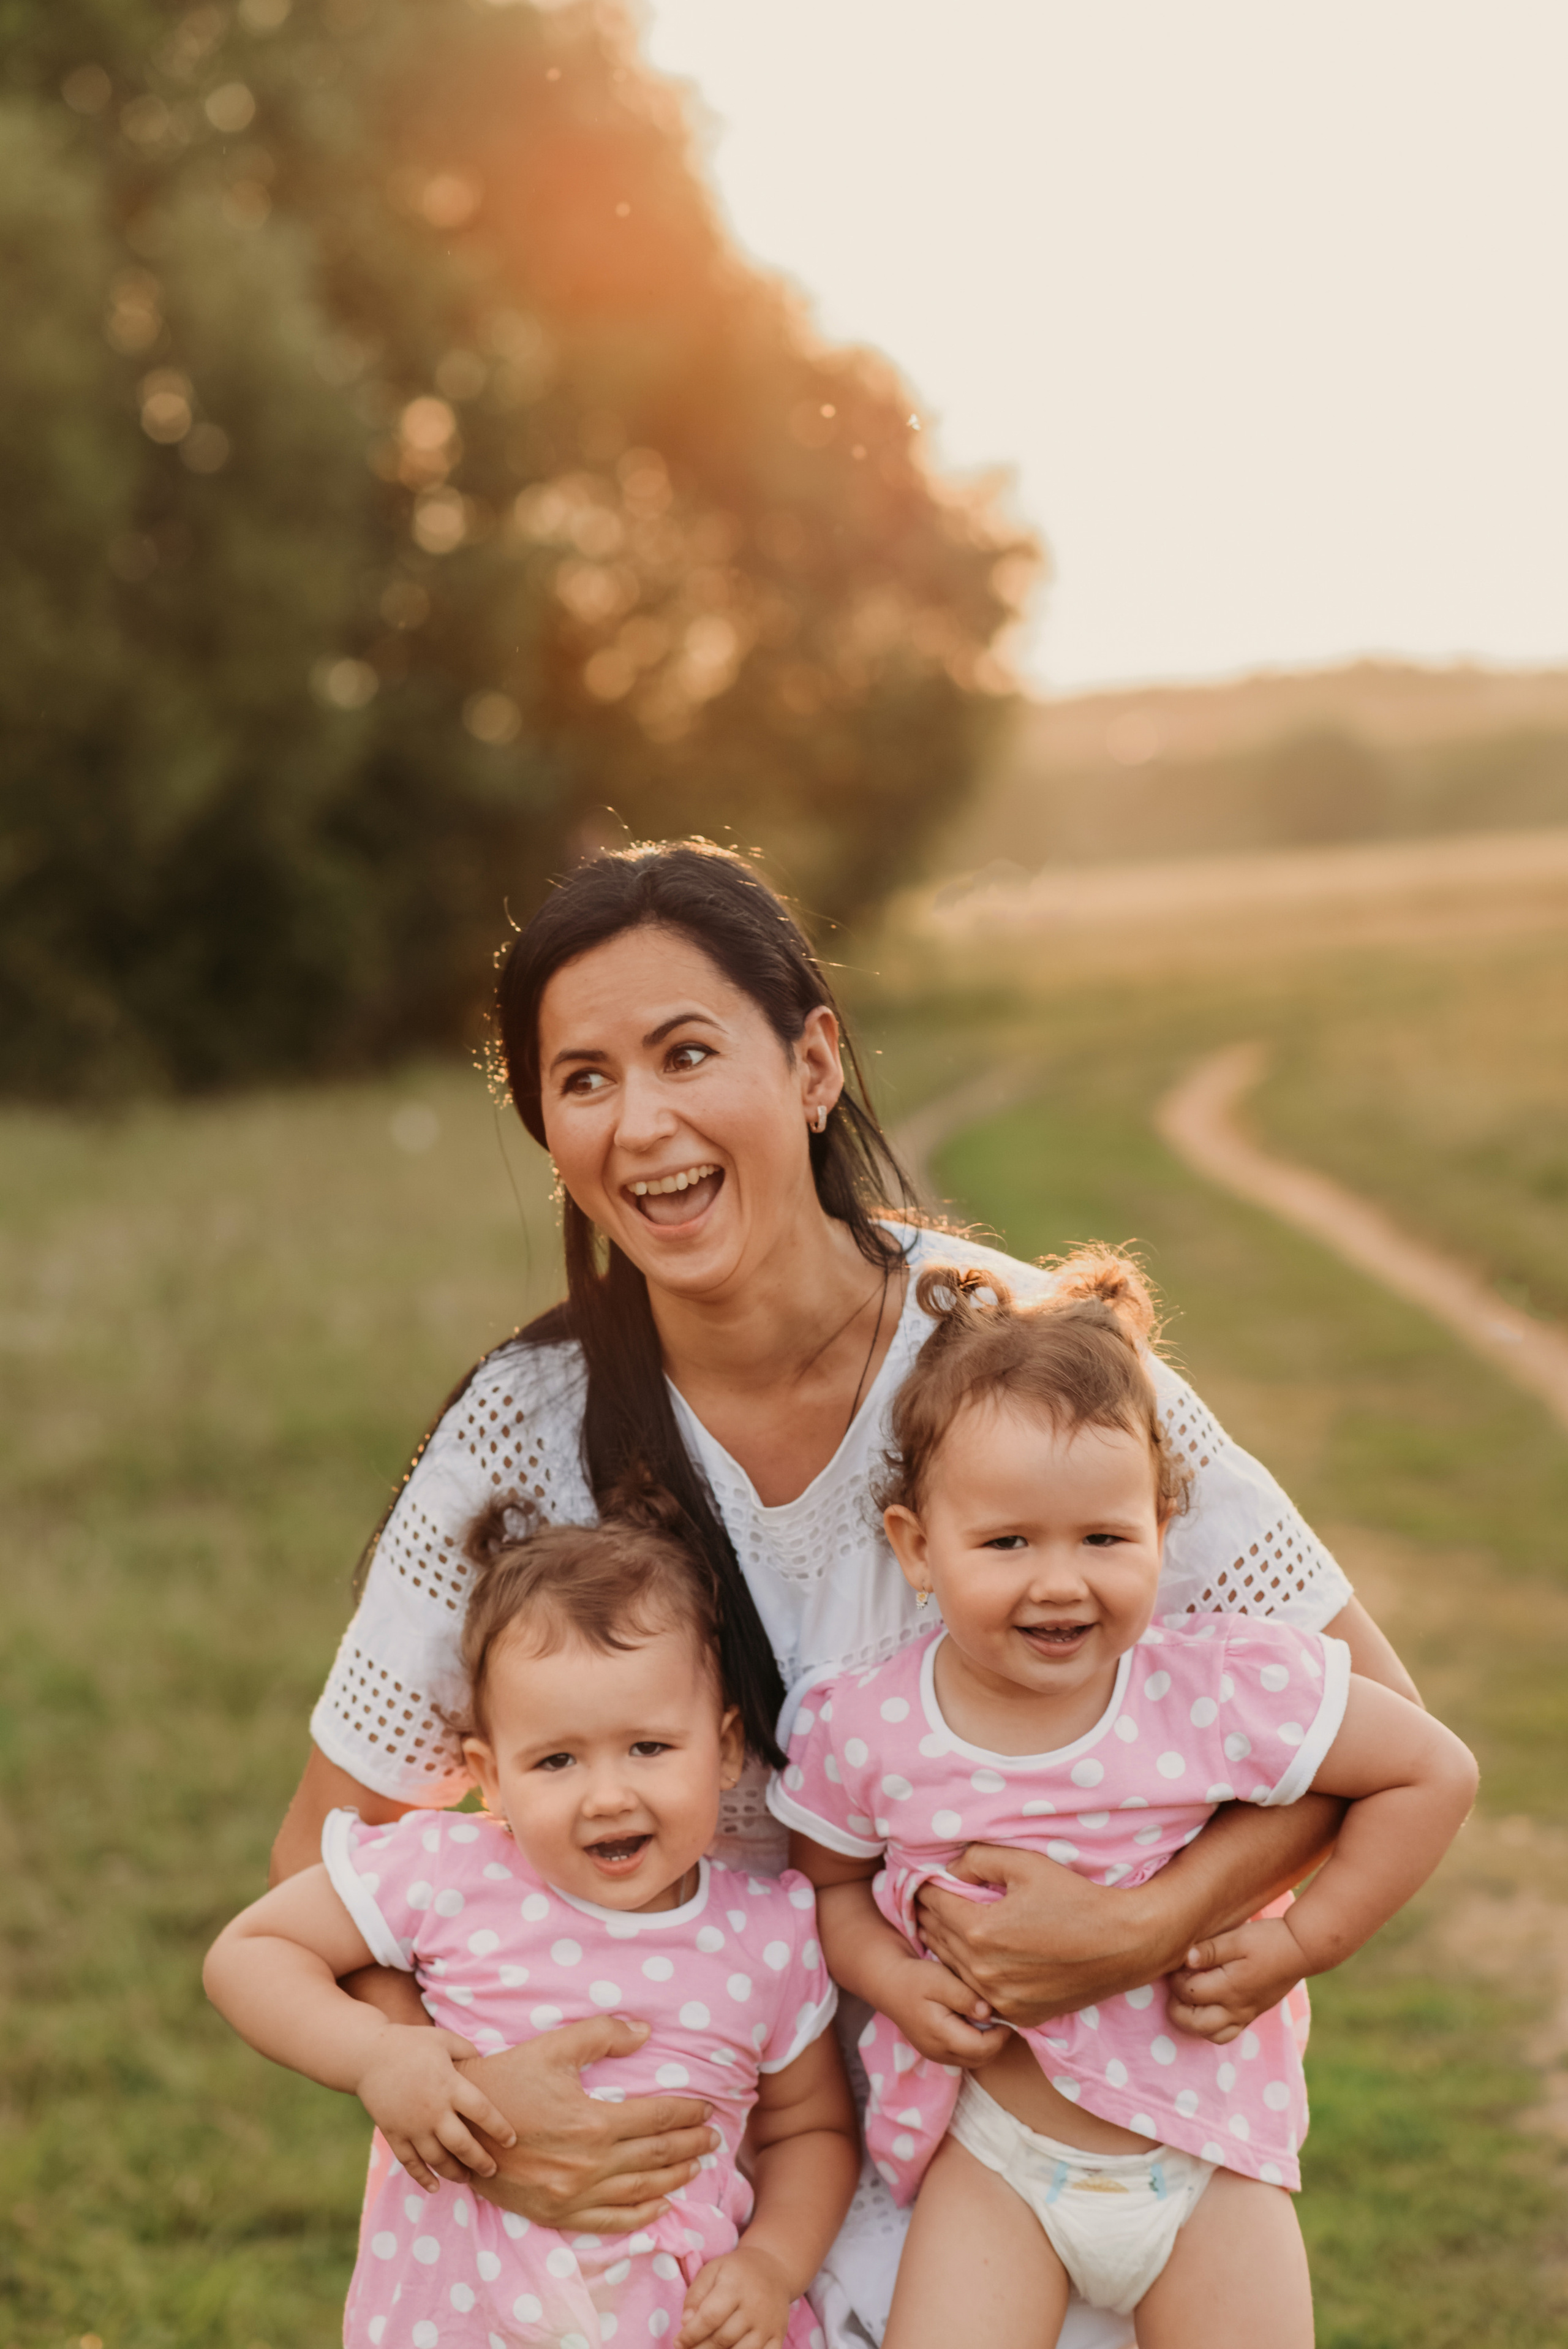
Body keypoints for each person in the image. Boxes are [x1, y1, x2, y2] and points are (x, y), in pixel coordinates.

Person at [270, 839, 1426, 2349]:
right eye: (585, 1079)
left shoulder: (1019, 1363)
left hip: (1033, 2159)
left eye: (689, 1053)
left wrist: (1144, 1928)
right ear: (545, 1123)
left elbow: (1380, 1733)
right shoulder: (520, 1430)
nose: (645, 1124)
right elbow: (321, 1853)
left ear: (813, 1063)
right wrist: (483, 2106)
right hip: (679, 2234)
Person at [770, 1252, 1477, 2346]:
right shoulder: (870, 1729)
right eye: (1007, 1543)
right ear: (918, 1546)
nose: (1060, 1579)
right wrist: (895, 1985)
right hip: (996, 2160)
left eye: (1105, 1538)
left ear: (1161, 1526)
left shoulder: (1214, 1688)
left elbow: (1434, 1769)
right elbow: (829, 1886)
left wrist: (1304, 1945)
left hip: (1209, 2158)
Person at [207, 1484, 859, 2349]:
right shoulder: (452, 1872)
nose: (608, 1793)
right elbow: (251, 1950)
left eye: (651, 1747)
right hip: (459, 2322)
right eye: (556, 1759)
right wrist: (376, 2054)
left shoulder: (765, 1935)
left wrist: (772, 2264)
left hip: (676, 2324)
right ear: (491, 1774)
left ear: (727, 1745)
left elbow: (809, 2128)